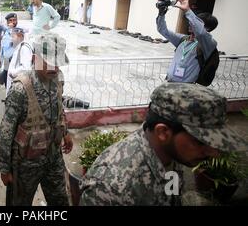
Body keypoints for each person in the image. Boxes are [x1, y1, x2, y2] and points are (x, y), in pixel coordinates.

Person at [80, 82, 247, 206]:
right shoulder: (110, 187)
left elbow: (172, 193)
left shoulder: (171, 155)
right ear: (163, 132)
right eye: (201, 141)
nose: (214, 152)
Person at [0, 33, 73, 206]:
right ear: (34, 58)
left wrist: (65, 133)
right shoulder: (21, 88)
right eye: (48, 60)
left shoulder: (58, 79)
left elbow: (59, 107)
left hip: (53, 157)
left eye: (57, 61)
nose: (54, 67)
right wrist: (4, 167)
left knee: (60, 201)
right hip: (26, 164)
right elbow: (6, 130)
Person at [156, 0, 218, 84]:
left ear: (207, 28)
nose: (190, 23)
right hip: (169, 83)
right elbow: (162, 30)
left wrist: (188, 10)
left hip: (186, 89)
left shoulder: (208, 44)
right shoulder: (183, 39)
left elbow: (200, 33)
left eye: (195, 22)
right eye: (191, 21)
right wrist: (161, 14)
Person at [6, 27, 33, 95]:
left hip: (18, 88)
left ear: (20, 36)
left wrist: (12, 73)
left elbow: (26, 68)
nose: (11, 39)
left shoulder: (24, 48)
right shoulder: (20, 46)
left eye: (13, 36)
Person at [0, 13, 18, 86]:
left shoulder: (19, 31)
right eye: (10, 20)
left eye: (14, 20)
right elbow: (3, 47)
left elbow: (15, 42)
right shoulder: (6, 32)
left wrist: (11, 30)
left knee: (13, 82)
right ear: (7, 22)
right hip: (6, 61)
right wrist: (0, 60)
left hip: (14, 61)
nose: (13, 22)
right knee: (7, 82)